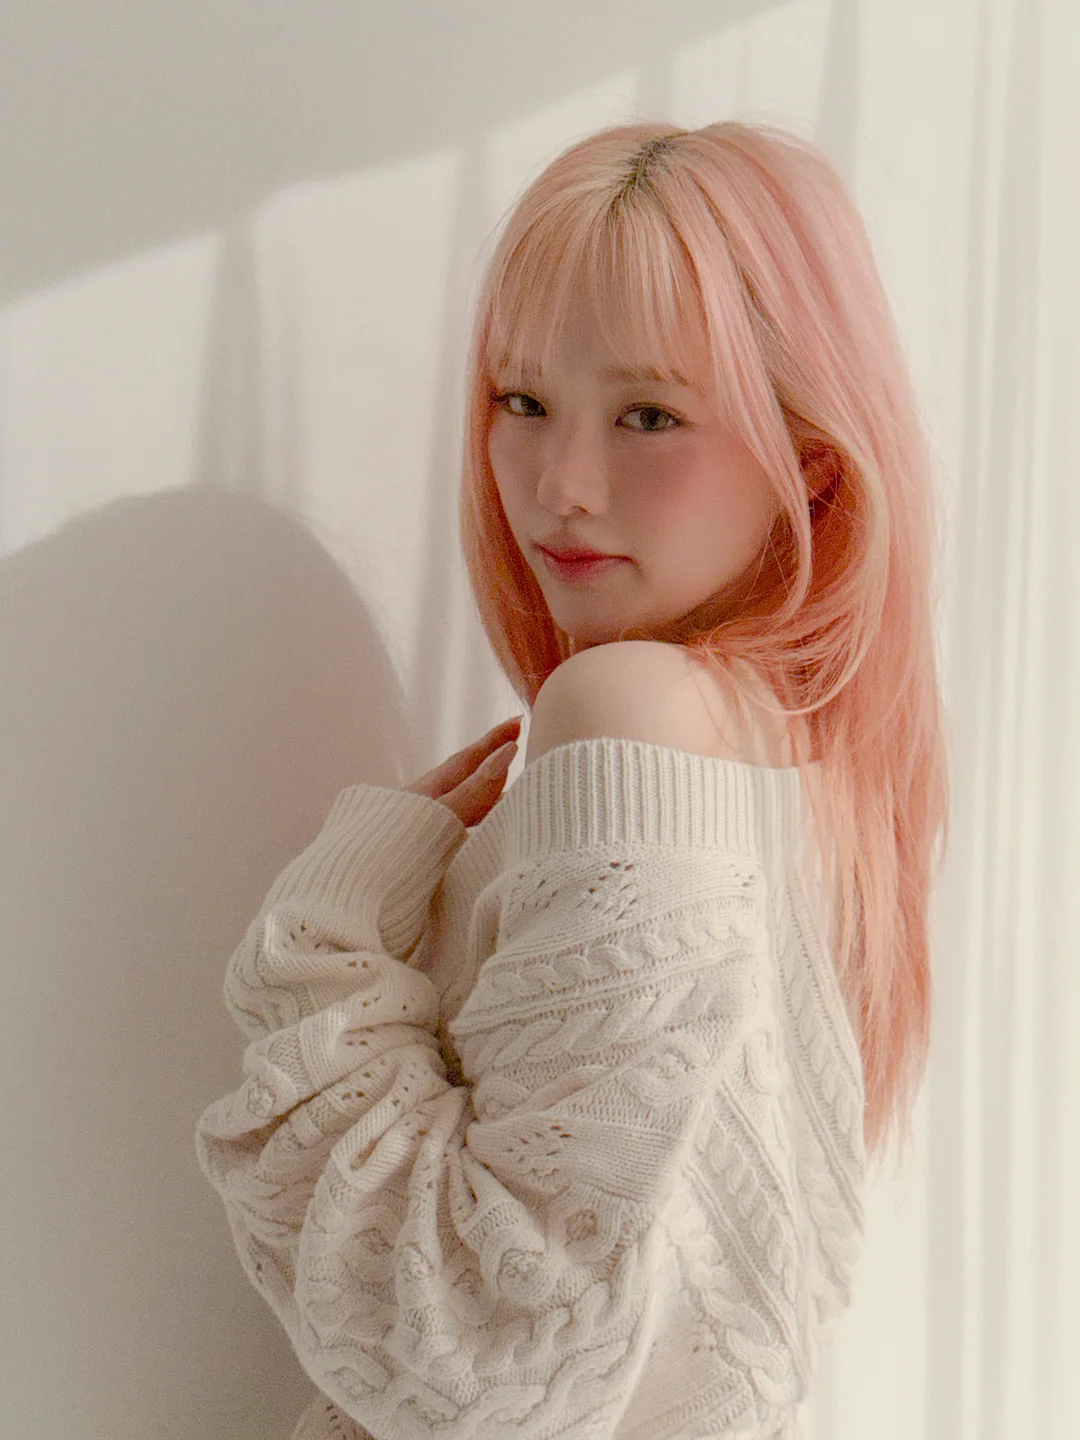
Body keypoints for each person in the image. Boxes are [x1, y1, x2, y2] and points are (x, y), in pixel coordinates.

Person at [196, 120, 950, 1440]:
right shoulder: (819, 761)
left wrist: (322, 942)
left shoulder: (629, 710)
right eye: (521, 402)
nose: (560, 484)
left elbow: (486, 1346)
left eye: (650, 415)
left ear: (813, 459)